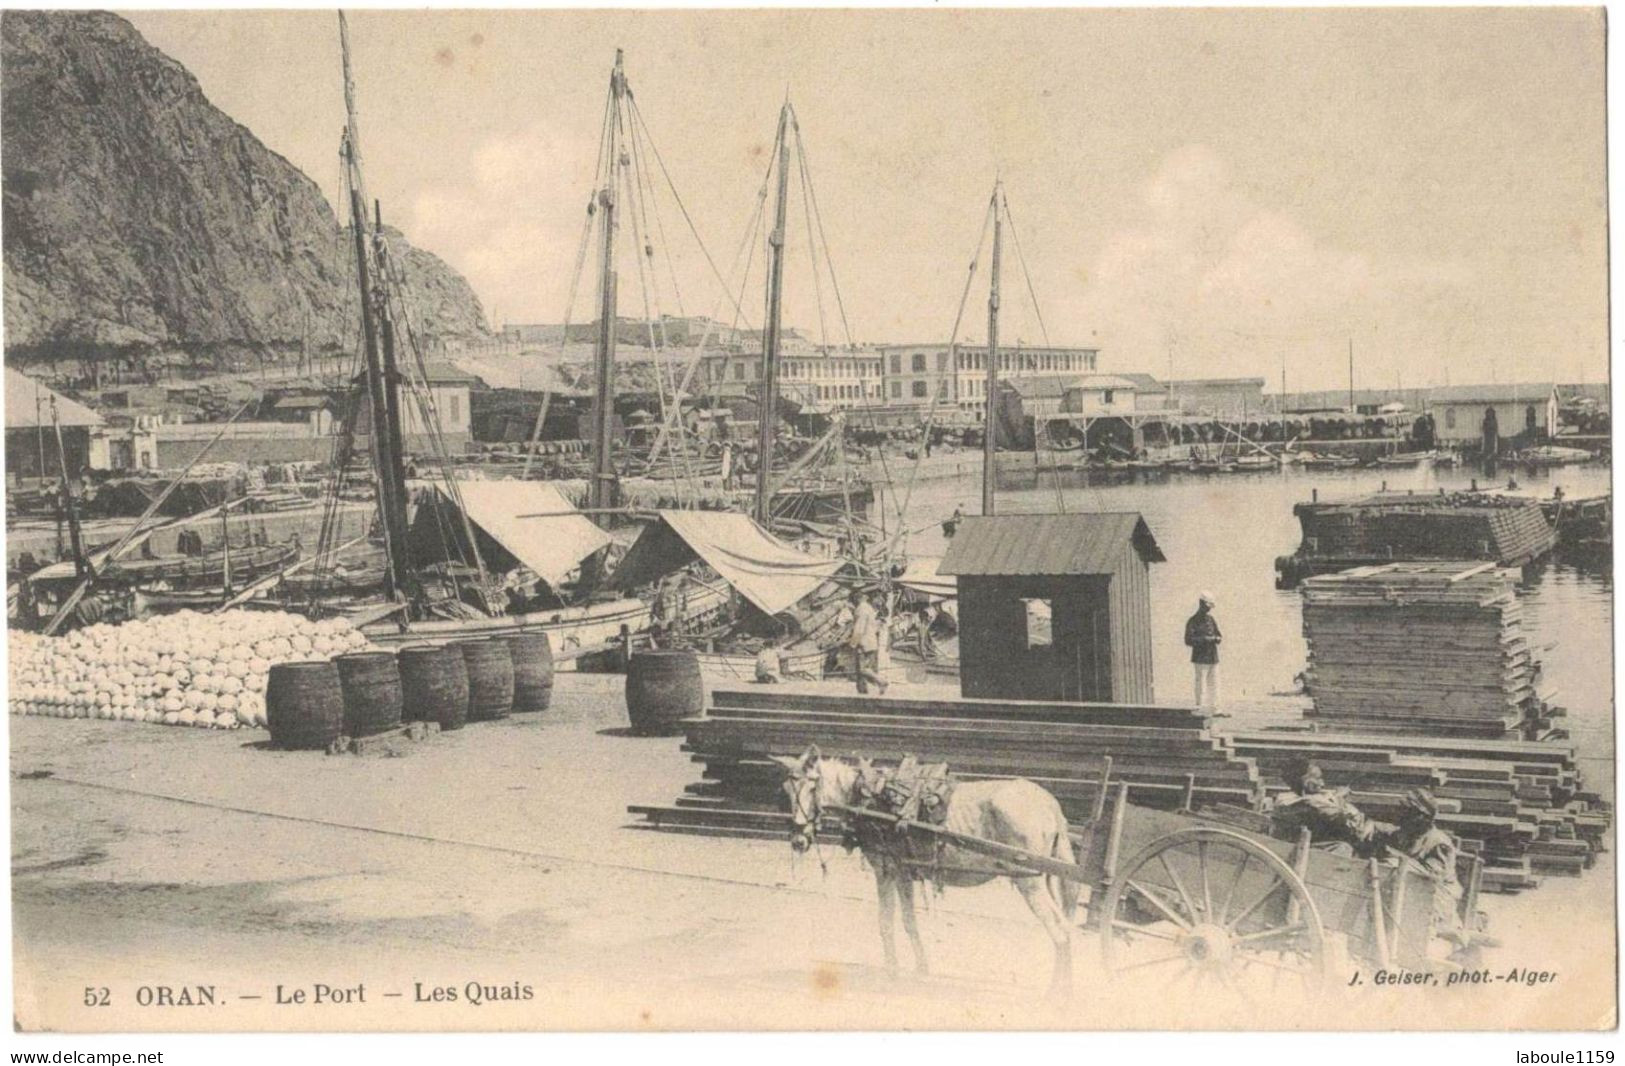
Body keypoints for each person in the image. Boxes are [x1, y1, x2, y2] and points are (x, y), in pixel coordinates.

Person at [1371, 788, 1463, 940]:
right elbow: (1383, 830)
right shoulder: (1407, 833)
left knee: (1392, 865)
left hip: (1438, 896)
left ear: (1422, 817)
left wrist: (1396, 858)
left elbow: (1432, 878)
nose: (1402, 816)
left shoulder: (1439, 842)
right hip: (1409, 890)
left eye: (1408, 813)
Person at [1269, 758, 1379, 855]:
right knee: (1346, 846)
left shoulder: (1286, 799)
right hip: (1303, 852)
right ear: (1306, 782)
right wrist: (1338, 798)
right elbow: (1342, 820)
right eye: (1318, 778)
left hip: (1294, 847)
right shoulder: (1308, 803)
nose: (1322, 784)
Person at [1184, 591, 1222, 709]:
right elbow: (1188, 640)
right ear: (1201, 604)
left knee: (1215, 684)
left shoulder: (1211, 620)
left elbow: (1219, 635)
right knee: (1201, 684)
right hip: (1200, 657)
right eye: (1207, 606)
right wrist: (1205, 639)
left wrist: (1216, 638)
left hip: (1212, 656)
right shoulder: (1193, 621)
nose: (1209, 609)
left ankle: (1215, 707)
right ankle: (1200, 707)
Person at [846, 589, 888, 695]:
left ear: (857, 598)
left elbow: (859, 629)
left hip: (864, 644)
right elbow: (873, 625)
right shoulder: (869, 608)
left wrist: (852, 644)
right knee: (862, 672)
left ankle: (881, 681)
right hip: (871, 643)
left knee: (863, 669)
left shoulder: (861, 609)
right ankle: (862, 693)